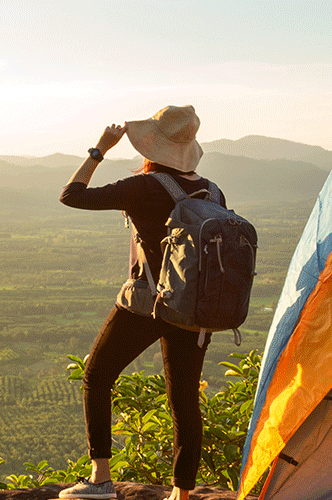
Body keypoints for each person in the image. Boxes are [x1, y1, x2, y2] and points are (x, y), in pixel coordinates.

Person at [55, 105, 217, 500]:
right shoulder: (211, 190)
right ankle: (182, 493)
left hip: (147, 303)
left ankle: (100, 480)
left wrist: (100, 149)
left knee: (96, 376)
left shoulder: (145, 187)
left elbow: (71, 196)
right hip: (194, 309)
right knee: (183, 398)